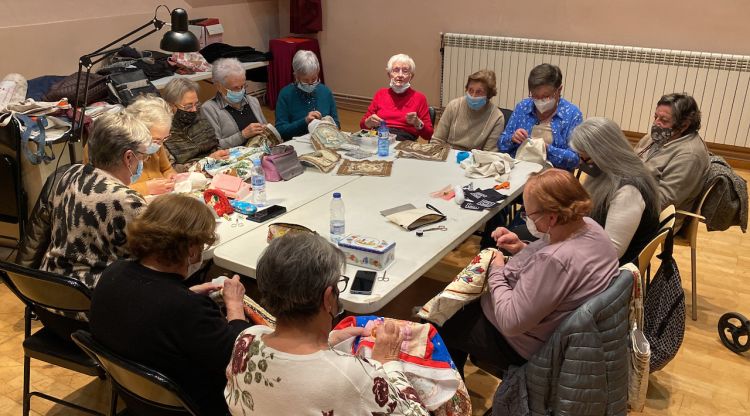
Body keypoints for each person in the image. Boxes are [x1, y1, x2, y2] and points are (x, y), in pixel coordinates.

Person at [440, 168, 619, 376]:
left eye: (530, 214)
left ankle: (452, 401)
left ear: (551, 218)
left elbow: (510, 322)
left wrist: (496, 270)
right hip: (560, 330)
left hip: (524, 345)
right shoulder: (590, 226)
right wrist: (521, 248)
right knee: (459, 308)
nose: (528, 220)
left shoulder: (555, 260)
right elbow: (554, 268)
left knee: (441, 321)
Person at [225, 233, 428, 415]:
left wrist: (329, 340)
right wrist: (387, 361)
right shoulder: (352, 376)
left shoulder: (246, 339)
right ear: (328, 297)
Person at [90, 194, 251, 415]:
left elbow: (147, 305)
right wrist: (235, 306)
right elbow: (236, 358)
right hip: (192, 406)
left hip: (137, 397)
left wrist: (185, 293)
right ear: (192, 249)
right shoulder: (186, 309)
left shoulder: (112, 273)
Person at [18, 112, 154, 288]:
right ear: (128, 157)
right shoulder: (126, 200)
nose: (142, 162)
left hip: (51, 290)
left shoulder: (68, 174)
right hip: (92, 300)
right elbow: (156, 256)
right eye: (143, 156)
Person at [569, 117, 661, 264]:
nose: (580, 163)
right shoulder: (608, 174)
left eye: (585, 159)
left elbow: (612, 251)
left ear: (603, 155)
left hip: (611, 269)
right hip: (594, 250)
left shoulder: (628, 191)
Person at [634, 93, 709, 231]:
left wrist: (622, 198)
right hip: (633, 201)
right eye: (655, 117)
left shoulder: (690, 155)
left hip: (655, 218)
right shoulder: (655, 137)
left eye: (664, 120)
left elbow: (663, 201)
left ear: (684, 125)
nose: (656, 123)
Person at [498, 63, 582, 170]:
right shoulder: (523, 107)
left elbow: (574, 160)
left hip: (552, 177)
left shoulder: (572, 114)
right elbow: (501, 144)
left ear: (559, 90)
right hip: (519, 170)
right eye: (535, 96)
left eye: (546, 97)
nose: (540, 101)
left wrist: (545, 149)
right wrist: (513, 138)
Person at [161, 77, 228, 172]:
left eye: (196, 104)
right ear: (171, 106)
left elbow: (214, 145)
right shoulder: (164, 131)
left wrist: (220, 154)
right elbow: (170, 169)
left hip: (216, 168)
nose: (194, 110)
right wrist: (207, 161)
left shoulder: (198, 117)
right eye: (188, 106)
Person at [360, 53, 433, 141]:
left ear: (411, 76)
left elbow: (428, 135)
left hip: (403, 140)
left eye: (405, 71)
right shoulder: (380, 94)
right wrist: (368, 122)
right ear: (389, 74)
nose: (400, 75)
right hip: (379, 137)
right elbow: (363, 126)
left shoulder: (419, 98)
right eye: (396, 70)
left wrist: (417, 123)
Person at [202, 57, 269, 149]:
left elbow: (266, 130)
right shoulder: (209, 109)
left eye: (243, 86)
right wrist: (243, 135)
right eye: (235, 88)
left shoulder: (252, 101)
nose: (241, 91)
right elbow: (215, 146)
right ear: (219, 86)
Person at [432, 69, 505, 151]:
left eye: (479, 92)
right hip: (448, 155)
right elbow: (437, 140)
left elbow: (488, 154)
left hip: (475, 160)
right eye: (470, 90)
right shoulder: (454, 106)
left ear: (489, 95)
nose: (473, 96)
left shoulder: (497, 117)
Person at [275, 50, 339, 140]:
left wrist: (326, 123)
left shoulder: (325, 91)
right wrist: (305, 121)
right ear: (296, 76)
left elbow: (337, 124)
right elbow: (280, 131)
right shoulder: (286, 94)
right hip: (296, 145)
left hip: (324, 142)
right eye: (305, 80)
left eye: (314, 79)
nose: (310, 84)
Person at [121, 95, 177, 195]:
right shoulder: (113, 147)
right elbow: (106, 193)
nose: (159, 145)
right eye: (155, 140)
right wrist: (146, 188)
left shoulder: (157, 142)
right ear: (137, 131)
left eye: (164, 138)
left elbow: (166, 169)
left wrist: (171, 176)